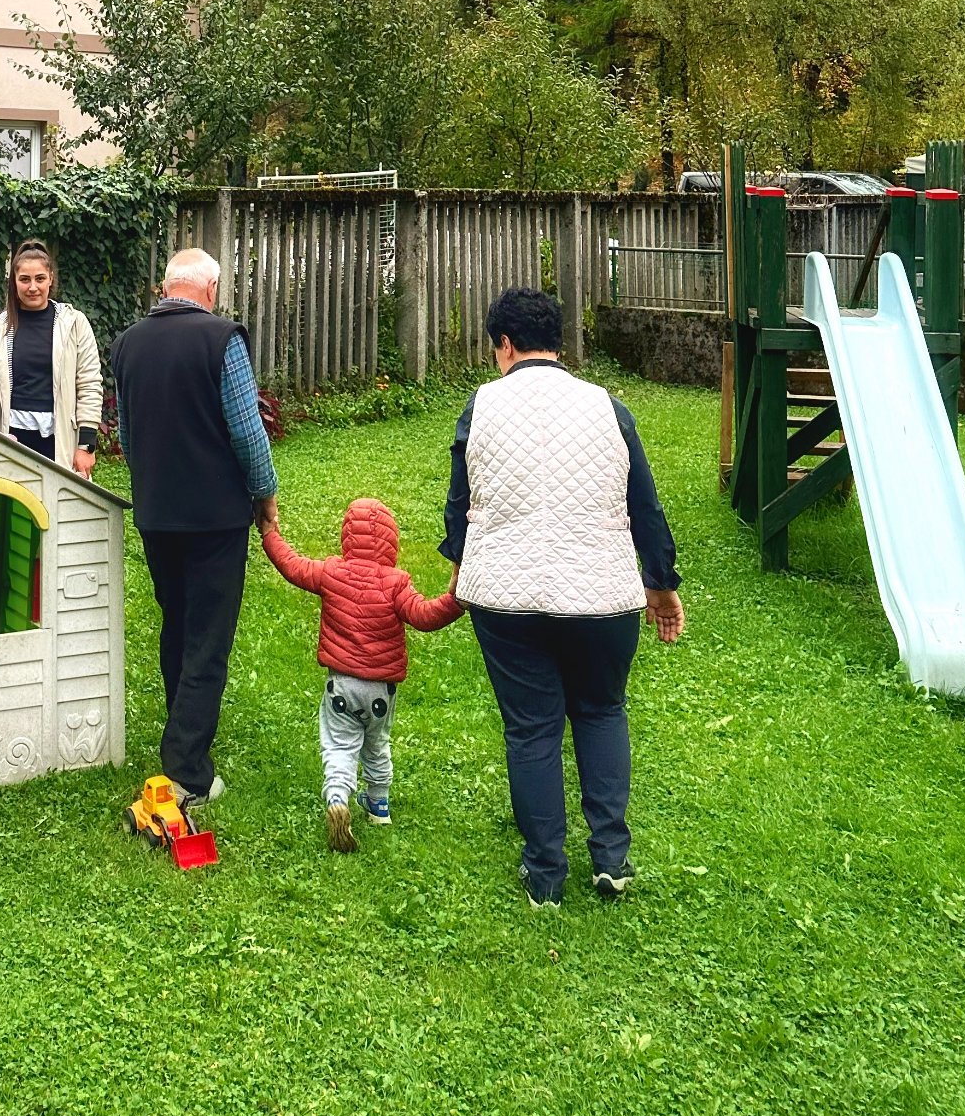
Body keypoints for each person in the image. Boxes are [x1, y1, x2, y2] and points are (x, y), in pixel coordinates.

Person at [441, 286, 684, 908]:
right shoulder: (609, 407)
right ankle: (611, 859)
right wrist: (659, 585)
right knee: (601, 713)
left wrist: (460, 565)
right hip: (603, 597)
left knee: (531, 730)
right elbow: (645, 505)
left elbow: (459, 506)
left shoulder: (481, 407)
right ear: (558, 342)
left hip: (506, 598)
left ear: (504, 344)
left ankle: (545, 873)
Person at [110, 246, 278, 807]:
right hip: (214, 518)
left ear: (165, 288)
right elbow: (247, 430)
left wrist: (153, 485)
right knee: (208, 638)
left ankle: (181, 729)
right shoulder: (221, 337)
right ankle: (188, 772)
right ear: (209, 290)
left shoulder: (128, 342)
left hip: (157, 514)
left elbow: (128, 435)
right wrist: (265, 496)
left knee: (177, 624)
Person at [261, 497, 462, 851]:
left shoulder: (330, 572)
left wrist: (269, 533)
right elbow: (425, 616)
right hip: (380, 694)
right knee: (377, 743)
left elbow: (292, 566)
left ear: (347, 538)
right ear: (391, 541)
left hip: (341, 687)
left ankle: (338, 799)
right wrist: (457, 598)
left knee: (339, 746)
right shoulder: (397, 584)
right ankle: (379, 804)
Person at [0, 240, 102, 474]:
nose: (32, 287)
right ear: (14, 282)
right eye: (24, 280)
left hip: (59, 441)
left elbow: (89, 384)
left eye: (39, 278)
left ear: (51, 278)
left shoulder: (74, 324)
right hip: (9, 439)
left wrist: (86, 446)